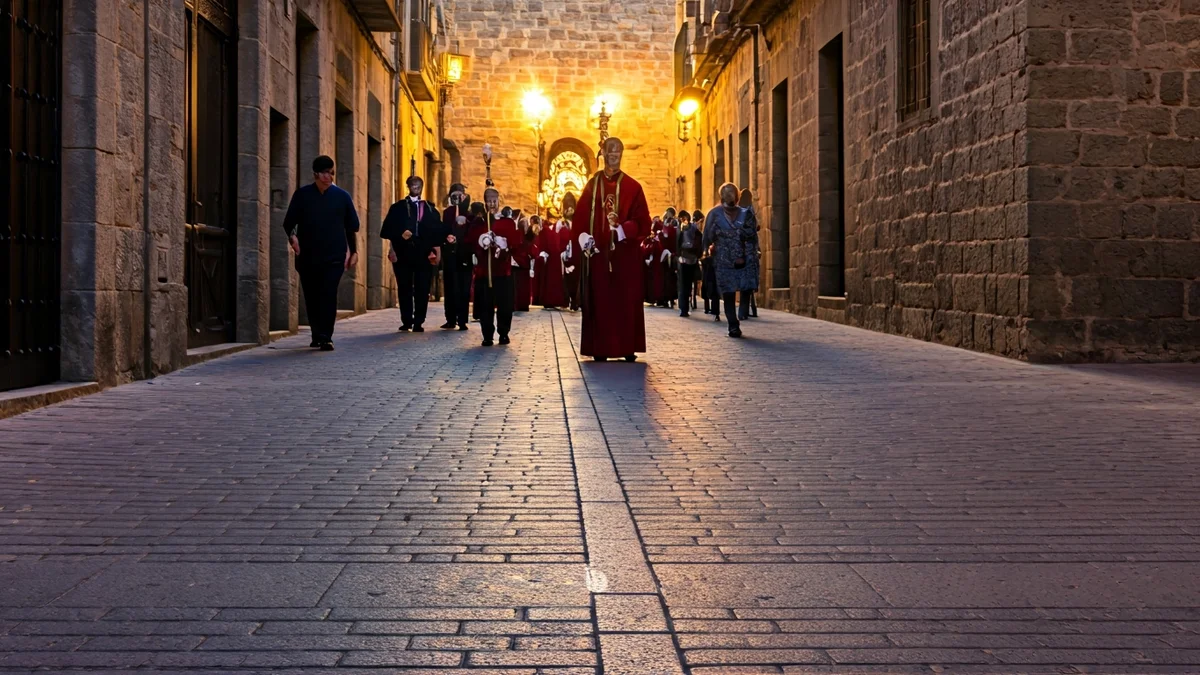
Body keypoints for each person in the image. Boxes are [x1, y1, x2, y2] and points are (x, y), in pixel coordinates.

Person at [569, 137, 651, 362]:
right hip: (598, 255)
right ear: (603, 154)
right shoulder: (592, 185)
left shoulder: (633, 187)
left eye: (618, 154)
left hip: (625, 255)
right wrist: (584, 236)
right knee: (601, 302)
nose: (614, 158)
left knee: (625, 300)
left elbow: (644, 221)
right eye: (610, 153)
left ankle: (627, 347)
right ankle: (600, 347)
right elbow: (581, 217)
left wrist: (624, 230)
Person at [282, 156, 360, 351]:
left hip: (334, 255)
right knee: (312, 296)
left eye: (332, 172)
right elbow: (288, 223)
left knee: (328, 293)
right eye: (325, 172)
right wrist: (293, 238)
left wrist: (354, 251)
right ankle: (316, 333)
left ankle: (326, 336)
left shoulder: (342, 197)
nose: (329, 176)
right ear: (316, 174)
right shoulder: (302, 195)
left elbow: (352, 227)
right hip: (308, 254)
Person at [381, 175, 442, 332]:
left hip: (423, 253)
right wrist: (398, 239)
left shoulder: (429, 209)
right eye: (413, 186)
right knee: (404, 286)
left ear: (422, 187)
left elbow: (436, 232)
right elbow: (387, 230)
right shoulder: (398, 208)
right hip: (403, 253)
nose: (416, 188)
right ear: (408, 186)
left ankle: (419, 321)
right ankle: (407, 320)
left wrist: (436, 251)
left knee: (423, 287)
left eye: (418, 186)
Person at [703, 183, 759, 338]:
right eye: (726, 193)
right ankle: (733, 325)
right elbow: (707, 235)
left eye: (732, 192)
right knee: (728, 293)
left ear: (737, 195)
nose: (729, 196)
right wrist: (706, 251)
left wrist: (748, 255)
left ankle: (741, 315)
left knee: (744, 288)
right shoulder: (715, 214)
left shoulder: (745, 213)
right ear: (722, 196)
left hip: (744, 259)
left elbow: (752, 236)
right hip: (723, 260)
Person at [468, 188, 519, 346]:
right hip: (485, 271)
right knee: (485, 306)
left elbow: (515, 243)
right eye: (488, 201)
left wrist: (504, 244)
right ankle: (487, 335)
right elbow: (471, 241)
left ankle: (503, 332)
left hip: (502, 270)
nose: (491, 204)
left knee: (505, 305)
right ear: (484, 202)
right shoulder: (480, 223)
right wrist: (482, 243)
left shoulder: (507, 222)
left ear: (499, 201)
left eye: (494, 201)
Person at [440, 183, 472, 330]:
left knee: (463, 288)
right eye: (455, 195)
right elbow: (444, 228)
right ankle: (450, 318)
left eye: (460, 195)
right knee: (451, 287)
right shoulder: (447, 212)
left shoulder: (468, 213)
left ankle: (462, 319)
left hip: (464, 255)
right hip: (450, 255)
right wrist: (447, 237)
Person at [536, 209, 567, 309]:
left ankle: (555, 299)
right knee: (549, 279)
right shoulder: (546, 229)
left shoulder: (558, 228)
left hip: (556, 257)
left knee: (554, 280)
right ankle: (549, 300)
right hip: (550, 258)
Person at [676, 209, 702, 317]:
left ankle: (684, 308)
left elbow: (699, 240)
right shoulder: (680, 229)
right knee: (684, 285)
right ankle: (684, 308)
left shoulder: (692, 229)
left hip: (690, 259)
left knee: (685, 285)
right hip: (685, 259)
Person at [560, 194, 581, 311]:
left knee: (576, 277)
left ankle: (576, 300)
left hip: (576, 253)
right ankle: (567, 298)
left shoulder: (578, 223)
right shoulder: (561, 223)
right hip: (566, 253)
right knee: (567, 278)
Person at [512, 217, 537, 312]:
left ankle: (523, 305)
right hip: (519, 264)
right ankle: (519, 305)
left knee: (524, 288)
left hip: (524, 264)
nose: (527, 226)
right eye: (525, 224)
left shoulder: (527, 235)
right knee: (519, 287)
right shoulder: (519, 235)